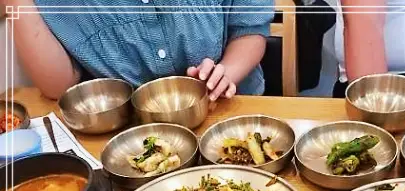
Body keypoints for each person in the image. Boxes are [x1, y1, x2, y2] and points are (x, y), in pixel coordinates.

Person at [3, 0, 273, 100]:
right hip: (126, 134)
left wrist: (226, 72)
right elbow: (60, 86)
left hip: (229, 111)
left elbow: (250, 29)